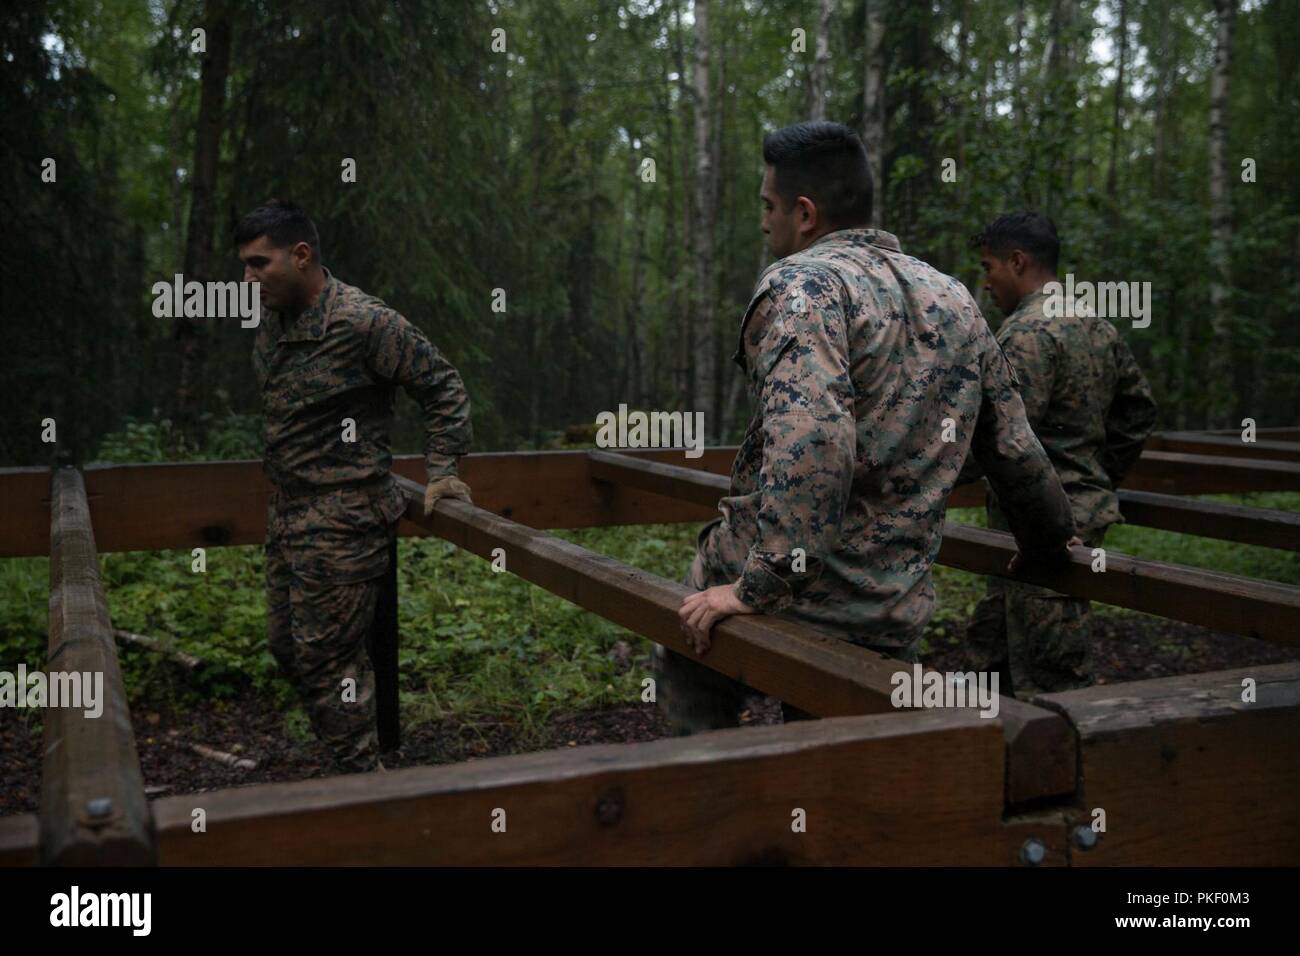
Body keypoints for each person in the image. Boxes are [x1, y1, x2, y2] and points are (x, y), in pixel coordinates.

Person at [658, 122, 1078, 734]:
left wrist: (759, 585)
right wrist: (1047, 542)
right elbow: (1013, 445)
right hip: (885, 611)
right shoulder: (954, 298)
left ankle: (710, 817)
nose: (763, 221)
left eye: (767, 206)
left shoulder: (803, 285)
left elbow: (816, 441)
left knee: (690, 707)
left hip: (786, 605)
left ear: (804, 214)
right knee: (850, 786)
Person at [238, 199, 473, 771]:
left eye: (258, 264)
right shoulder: (273, 321)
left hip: (345, 520)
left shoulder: (363, 322)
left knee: (330, 662)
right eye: (243, 266)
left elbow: (442, 387)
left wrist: (442, 472)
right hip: (289, 515)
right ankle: (355, 766)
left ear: (301, 255)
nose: (247, 279)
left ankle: (363, 789)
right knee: (287, 647)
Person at [963, 211, 1157, 697]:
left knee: (1052, 679)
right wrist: (1094, 478)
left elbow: (1004, 438)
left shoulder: (1024, 334)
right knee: (994, 652)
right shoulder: (1096, 325)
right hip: (1054, 522)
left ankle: (1062, 768)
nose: (985, 283)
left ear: (1018, 261)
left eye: (988, 268)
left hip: (1045, 531)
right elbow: (1138, 410)